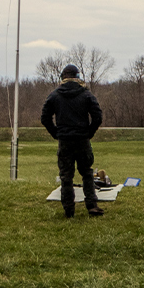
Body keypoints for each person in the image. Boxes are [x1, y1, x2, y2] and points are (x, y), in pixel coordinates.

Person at [41, 64, 105, 219]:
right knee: (87, 173)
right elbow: (98, 116)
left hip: (65, 140)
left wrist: (56, 133)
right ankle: (92, 205)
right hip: (82, 139)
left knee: (66, 176)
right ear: (77, 77)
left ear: (63, 77)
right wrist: (89, 132)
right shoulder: (86, 94)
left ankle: (69, 210)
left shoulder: (55, 95)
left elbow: (45, 118)